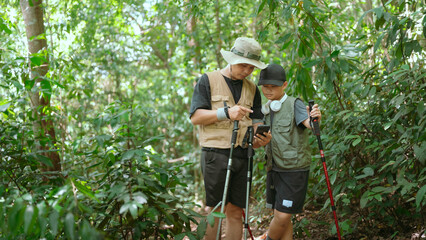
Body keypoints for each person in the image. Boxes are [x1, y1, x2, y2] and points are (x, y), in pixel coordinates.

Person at [189, 37, 272, 240]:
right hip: (215, 154)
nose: (246, 71)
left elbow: (256, 121)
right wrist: (226, 113)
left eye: (251, 68)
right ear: (232, 59)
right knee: (216, 209)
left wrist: (260, 137)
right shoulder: (207, 80)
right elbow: (196, 117)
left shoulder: (252, 89)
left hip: (243, 153)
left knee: (236, 211)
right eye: (243, 65)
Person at [256, 64, 321, 240]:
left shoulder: (295, 104)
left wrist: (314, 118)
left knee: (283, 216)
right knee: (284, 217)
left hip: (294, 170)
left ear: (284, 85)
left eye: (273, 86)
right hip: (274, 169)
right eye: (265, 86)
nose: (268, 90)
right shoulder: (266, 110)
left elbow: (308, 123)